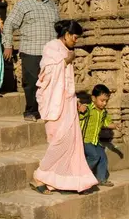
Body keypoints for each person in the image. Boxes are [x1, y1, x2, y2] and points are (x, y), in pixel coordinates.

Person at [31, 20, 98, 194]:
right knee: (58, 142)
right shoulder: (51, 47)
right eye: (74, 37)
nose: (76, 41)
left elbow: (67, 84)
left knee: (71, 143)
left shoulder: (67, 51)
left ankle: (57, 181)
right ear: (67, 34)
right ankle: (38, 175)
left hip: (67, 103)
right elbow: (46, 74)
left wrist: (76, 102)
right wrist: (65, 62)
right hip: (54, 103)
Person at [2, 0, 59, 121]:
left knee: (50, 82)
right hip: (31, 50)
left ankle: (47, 111)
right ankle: (30, 112)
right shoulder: (23, 5)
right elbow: (9, 24)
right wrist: (8, 45)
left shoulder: (52, 4)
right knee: (32, 83)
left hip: (50, 53)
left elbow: (58, 27)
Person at [79, 84, 121, 187]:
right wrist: (80, 108)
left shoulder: (103, 112)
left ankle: (101, 179)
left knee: (103, 157)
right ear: (93, 98)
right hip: (85, 140)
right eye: (102, 100)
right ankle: (82, 176)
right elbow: (79, 114)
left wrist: (115, 125)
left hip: (95, 141)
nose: (104, 103)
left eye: (106, 101)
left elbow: (106, 123)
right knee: (94, 156)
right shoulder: (88, 109)